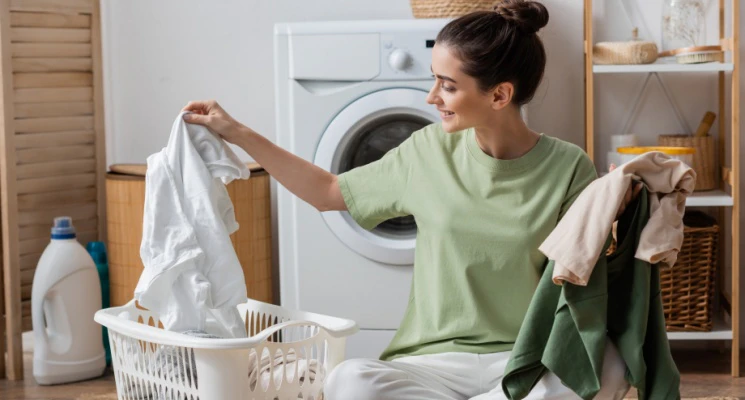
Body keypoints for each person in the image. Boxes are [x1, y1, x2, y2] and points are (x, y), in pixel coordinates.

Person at [182, 1, 639, 398]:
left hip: (526, 358)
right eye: (434, 80)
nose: (431, 96)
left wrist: (618, 210)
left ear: (500, 95)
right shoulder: (427, 151)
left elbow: (586, 270)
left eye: (448, 85)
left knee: (610, 366)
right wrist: (236, 132)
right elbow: (327, 192)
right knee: (351, 381)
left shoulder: (568, 166)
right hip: (432, 364)